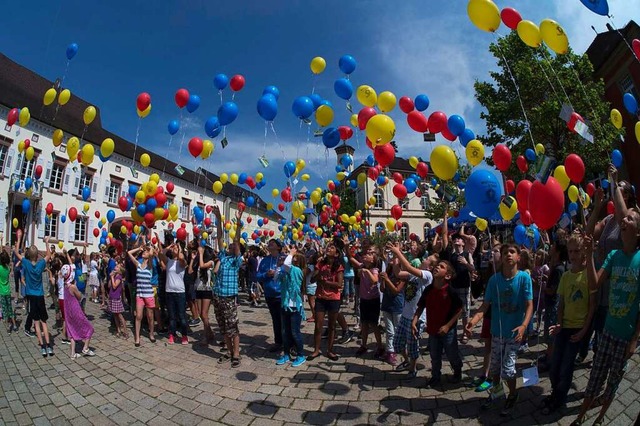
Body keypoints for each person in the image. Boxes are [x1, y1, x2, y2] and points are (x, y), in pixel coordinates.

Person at [571, 210, 640, 426]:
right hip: (608, 331)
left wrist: (634, 340)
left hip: (625, 337)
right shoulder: (613, 256)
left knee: (613, 383)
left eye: (630, 218)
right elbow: (594, 284)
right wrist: (590, 254)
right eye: (623, 218)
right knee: (594, 380)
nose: (624, 221)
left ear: (638, 232)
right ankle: (580, 417)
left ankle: (600, 419)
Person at [465, 244, 533, 417]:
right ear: (501, 258)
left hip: (515, 334)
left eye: (512, 252)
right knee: (494, 368)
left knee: (508, 369)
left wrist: (524, 325)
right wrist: (473, 321)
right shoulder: (494, 280)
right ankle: (497, 392)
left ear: (518, 257)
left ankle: (513, 394)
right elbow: (485, 305)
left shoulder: (524, 278)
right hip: (497, 332)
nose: (508, 255)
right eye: (504, 252)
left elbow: (529, 305)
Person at [541, 233, 595, 415]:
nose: (573, 255)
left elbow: (592, 306)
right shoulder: (565, 276)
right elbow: (561, 303)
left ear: (584, 252)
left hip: (578, 328)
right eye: (570, 251)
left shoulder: (589, 276)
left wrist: (584, 331)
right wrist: (558, 324)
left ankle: (559, 399)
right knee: (554, 364)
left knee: (566, 366)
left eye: (577, 251)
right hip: (564, 327)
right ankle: (556, 393)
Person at [387, 242, 434, 379]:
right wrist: (396, 255)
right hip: (406, 315)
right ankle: (407, 361)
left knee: (413, 344)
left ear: (430, 267)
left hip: (418, 317)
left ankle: (412, 369)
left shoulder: (427, 275)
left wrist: (398, 251)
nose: (424, 259)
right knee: (397, 343)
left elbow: (407, 266)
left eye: (427, 259)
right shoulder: (413, 274)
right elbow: (398, 272)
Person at [413, 259, 463, 388]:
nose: (437, 267)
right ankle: (436, 377)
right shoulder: (429, 289)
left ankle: (457, 371)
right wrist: (414, 321)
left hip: (448, 330)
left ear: (447, 275)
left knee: (452, 354)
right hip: (433, 329)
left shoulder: (451, 291)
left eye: (441, 267)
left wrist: (447, 326)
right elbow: (420, 306)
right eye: (437, 265)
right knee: (434, 355)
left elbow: (459, 310)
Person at [213, 206, 244, 368]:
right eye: (230, 246)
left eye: (233, 246)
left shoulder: (236, 261)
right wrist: (218, 219)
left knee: (232, 326)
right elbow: (219, 237)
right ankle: (229, 351)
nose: (230, 246)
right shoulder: (224, 257)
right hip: (217, 295)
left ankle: (237, 354)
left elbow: (237, 241)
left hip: (229, 297)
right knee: (223, 326)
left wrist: (238, 223)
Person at [15, 232, 54, 357]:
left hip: (31, 296)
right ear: (37, 255)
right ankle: (49, 346)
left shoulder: (26, 263)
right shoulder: (41, 263)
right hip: (40, 296)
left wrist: (19, 238)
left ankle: (42, 346)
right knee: (44, 322)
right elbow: (48, 255)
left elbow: (16, 254)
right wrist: (47, 242)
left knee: (36, 322)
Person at [307, 240, 344, 362]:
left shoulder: (339, 266)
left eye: (332, 247)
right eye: (328, 246)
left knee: (332, 326)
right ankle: (316, 350)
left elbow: (339, 284)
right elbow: (312, 279)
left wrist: (325, 282)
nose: (329, 248)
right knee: (318, 326)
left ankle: (330, 350)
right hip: (321, 298)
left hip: (333, 298)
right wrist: (319, 274)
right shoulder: (320, 264)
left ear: (337, 253)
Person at [347, 245, 383, 358]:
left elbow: (375, 280)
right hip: (364, 299)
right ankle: (364, 345)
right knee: (364, 323)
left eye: (369, 254)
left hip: (373, 300)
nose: (366, 255)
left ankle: (380, 346)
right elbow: (350, 258)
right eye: (366, 254)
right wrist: (347, 246)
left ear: (373, 259)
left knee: (374, 324)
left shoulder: (374, 270)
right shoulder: (362, 265)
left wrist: (366, 272)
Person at [275, 251, 307, 367]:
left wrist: (291, 253)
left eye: (294, 258)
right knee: (285, 332)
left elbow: (287, 265)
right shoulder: (285, 270)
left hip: (295, 306)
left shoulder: (297, 270)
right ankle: (286, 354)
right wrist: (278, 267)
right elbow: (275, 278)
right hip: (285, 305)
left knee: (295, 332)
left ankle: (301, 354)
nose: (289, 258)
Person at [444, 234, 475, 344]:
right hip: (453, 287)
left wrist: (466, 263)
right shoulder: (451, 256)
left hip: (464, 286)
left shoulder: (467, 254)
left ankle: (465, 333)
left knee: (465, 311)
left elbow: (473, 269)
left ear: (463, 243)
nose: (456, 240)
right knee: (453, 311)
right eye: (455, 239)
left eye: (459, 239)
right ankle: (453, 333)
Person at [60, 264, 96, 358]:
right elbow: (79, 297)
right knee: (89, 328)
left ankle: (72, 354)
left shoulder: (65, 285)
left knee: (72, 331)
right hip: (76, 311)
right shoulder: (72, 286)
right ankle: (86, 348)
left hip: (68, 312)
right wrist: (76, 287)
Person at [257, 239, 284, 353]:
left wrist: (279, 272)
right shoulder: (264, 260)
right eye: (269, 243)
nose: (269, 244)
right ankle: (278, 342)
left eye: (272, 243)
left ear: (278, 247)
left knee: (286, 320)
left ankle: (290, 344)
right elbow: (258, 276)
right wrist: (266, 274)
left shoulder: (284, 258)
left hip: (283, 294)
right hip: (270, 295)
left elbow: (290, 273)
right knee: (276, 320)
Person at [159, 241, 188, 345]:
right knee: (172, 317)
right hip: (169, 291)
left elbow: (181, 257)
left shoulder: (182, 262)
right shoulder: (169, 261)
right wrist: (168, 247)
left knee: (181, 316)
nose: (174, 249)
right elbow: (160, 253)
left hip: (180, 292)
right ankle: (172, 334)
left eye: (176, 248)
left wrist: (179, 247)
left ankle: (184, 335)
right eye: (174, 248)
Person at [127, 243, 156, 347]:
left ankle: (151, 333)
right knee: (138, 316)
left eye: (146, 252)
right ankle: (137, 338)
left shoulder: (150, 265)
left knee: (150, 316)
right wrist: (138, 248)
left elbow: (152, 253)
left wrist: (149, 248)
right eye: (144, 252)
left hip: (148, 295)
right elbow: (129, 253)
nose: (144, 252)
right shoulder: (138, 265)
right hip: (140, 294)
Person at [379, 254, 406, 366]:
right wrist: (383, 280)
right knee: (389, 330)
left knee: (397, 330)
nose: (390, 260)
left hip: (397, 306)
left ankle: (400, 349)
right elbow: (382, 289)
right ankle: (390, 351)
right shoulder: (388, 273)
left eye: (394, 259)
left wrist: (387, 279)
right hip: (387, 305)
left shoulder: (403, 276)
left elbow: (396, 290)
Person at [109, 261, 128, 339]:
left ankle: (125, 331)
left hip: (116, 297)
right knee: (115, 314)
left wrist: (112, 277)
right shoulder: (115, 275)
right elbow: (109, 285)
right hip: (112, 296)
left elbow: (114, 286)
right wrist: (111, 277)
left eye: (117, 267)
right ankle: (118, 330)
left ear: (120, 270)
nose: (115, 267)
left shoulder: (119, 277)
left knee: (119, 315)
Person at [0, 249, 17, 333]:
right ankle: (14, 325)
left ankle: (8, 327)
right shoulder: (8, 269)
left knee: (5, 310)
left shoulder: (0, 268)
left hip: (2, 292)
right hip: (8, 291)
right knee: (10, 309)